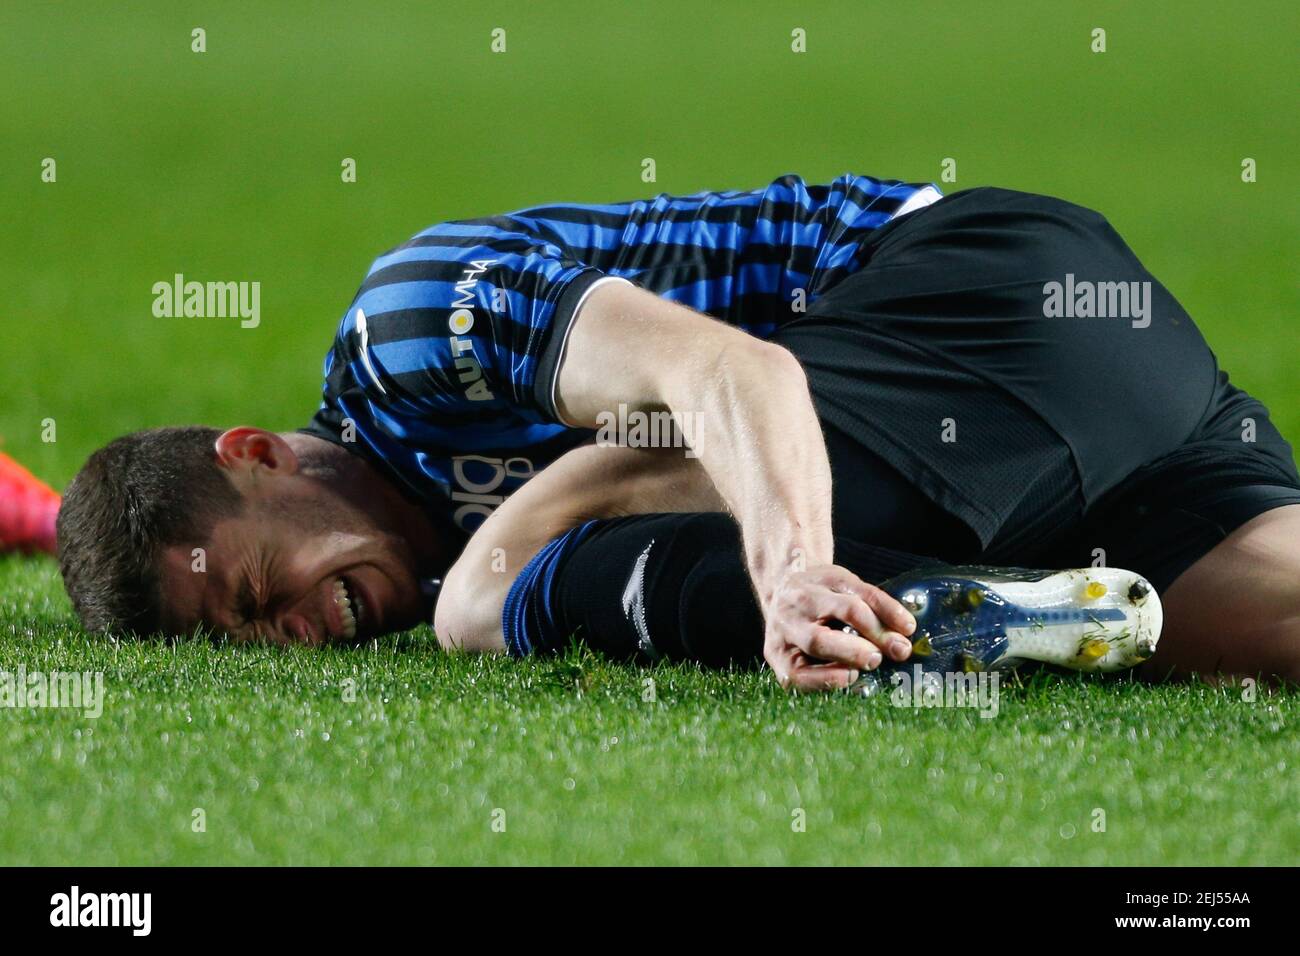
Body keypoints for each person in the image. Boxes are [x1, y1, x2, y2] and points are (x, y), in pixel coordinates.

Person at [55, 175, 1300, 688]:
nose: (291, 630)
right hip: (1113, 426)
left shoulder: (408, 329)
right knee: (1262, 624)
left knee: (497, 591)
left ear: (256, 456)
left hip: (986, 305)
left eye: (261, 584)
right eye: (253, 638)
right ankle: (984, 603)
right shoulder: (414, 534)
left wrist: (792, 562)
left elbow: (729, 369)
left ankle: (892, 590)